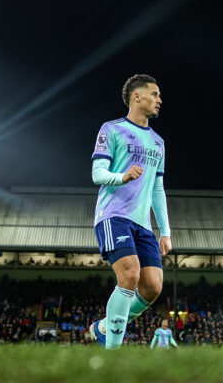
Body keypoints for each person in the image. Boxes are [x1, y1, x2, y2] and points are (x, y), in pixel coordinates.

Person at [86, 74, 171, 349]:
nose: (159, 99)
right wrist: (122, 177)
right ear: (137, 96)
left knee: (152, 287)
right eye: (154, 94)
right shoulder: (112, 129)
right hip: (113, 215)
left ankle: (102, 327)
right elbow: (97, 173)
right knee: (130, 275)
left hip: (142, 224)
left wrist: (165, 232)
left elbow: (157, 188)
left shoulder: (158, 142)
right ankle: (112, 351)